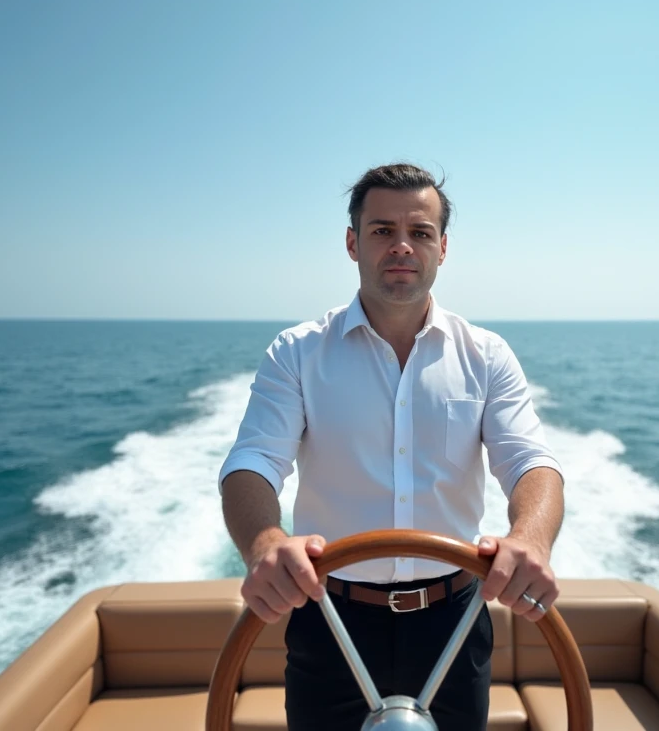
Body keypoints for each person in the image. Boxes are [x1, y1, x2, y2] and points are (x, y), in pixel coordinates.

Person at [218, 162, 564, 731]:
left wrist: (529, 537)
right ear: (353, 243)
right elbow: (252, 464)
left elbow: (531, 463)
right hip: (329, 618)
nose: (402, 246)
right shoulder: (297, 353)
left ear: (443, 248)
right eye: (382, 231)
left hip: (454, 619)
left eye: (420, 233)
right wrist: (264, 544)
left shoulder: (487, 355)